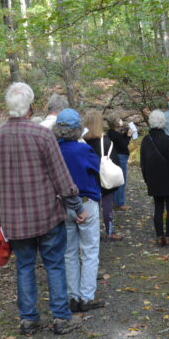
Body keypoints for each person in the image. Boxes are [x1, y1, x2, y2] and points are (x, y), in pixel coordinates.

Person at [0, 83, 85, 336]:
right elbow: (60, 175)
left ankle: (29, 319)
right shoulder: (43, 135)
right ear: (30, 108)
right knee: (54, 265)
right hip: (46, 214)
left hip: (15, 219)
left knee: (25, 266)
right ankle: (61, 318)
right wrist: (75, 204)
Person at [54, 109, 106, 312]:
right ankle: (86, 296)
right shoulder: (84, 151)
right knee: (90, 250)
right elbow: (96, 170)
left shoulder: (54, 151)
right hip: (86, 203)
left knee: (68, 252)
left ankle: (72, 296)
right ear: (78, 129)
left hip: (62, 205)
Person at [140, 110, 169, 246]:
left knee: (158, 208)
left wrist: (147, 179)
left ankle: (159, 237)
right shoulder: (167, 140)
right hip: (168, 179)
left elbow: (143, 164)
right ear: (163, 122)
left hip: (153, 179)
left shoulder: (146, 140)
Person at [83, 111, 120, 240]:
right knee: (107, 205)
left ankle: (92, 231)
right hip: (104, 179)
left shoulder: (81, 141)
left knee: (91, 206)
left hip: (88, 178)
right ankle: (109, 231)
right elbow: (115, 161)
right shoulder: (106, 141)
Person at [106, 115, 131, 211]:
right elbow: (123, 144)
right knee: (121, 180)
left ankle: (116, 201)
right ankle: (120, 203)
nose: (120, 121)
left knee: (118, 179)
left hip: (118, 157)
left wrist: (126, 135)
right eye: (118, 119)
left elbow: (121, 140)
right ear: (115, 123)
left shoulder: (113, 133)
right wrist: (128, 137)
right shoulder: (114, 134)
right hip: (120, 157)